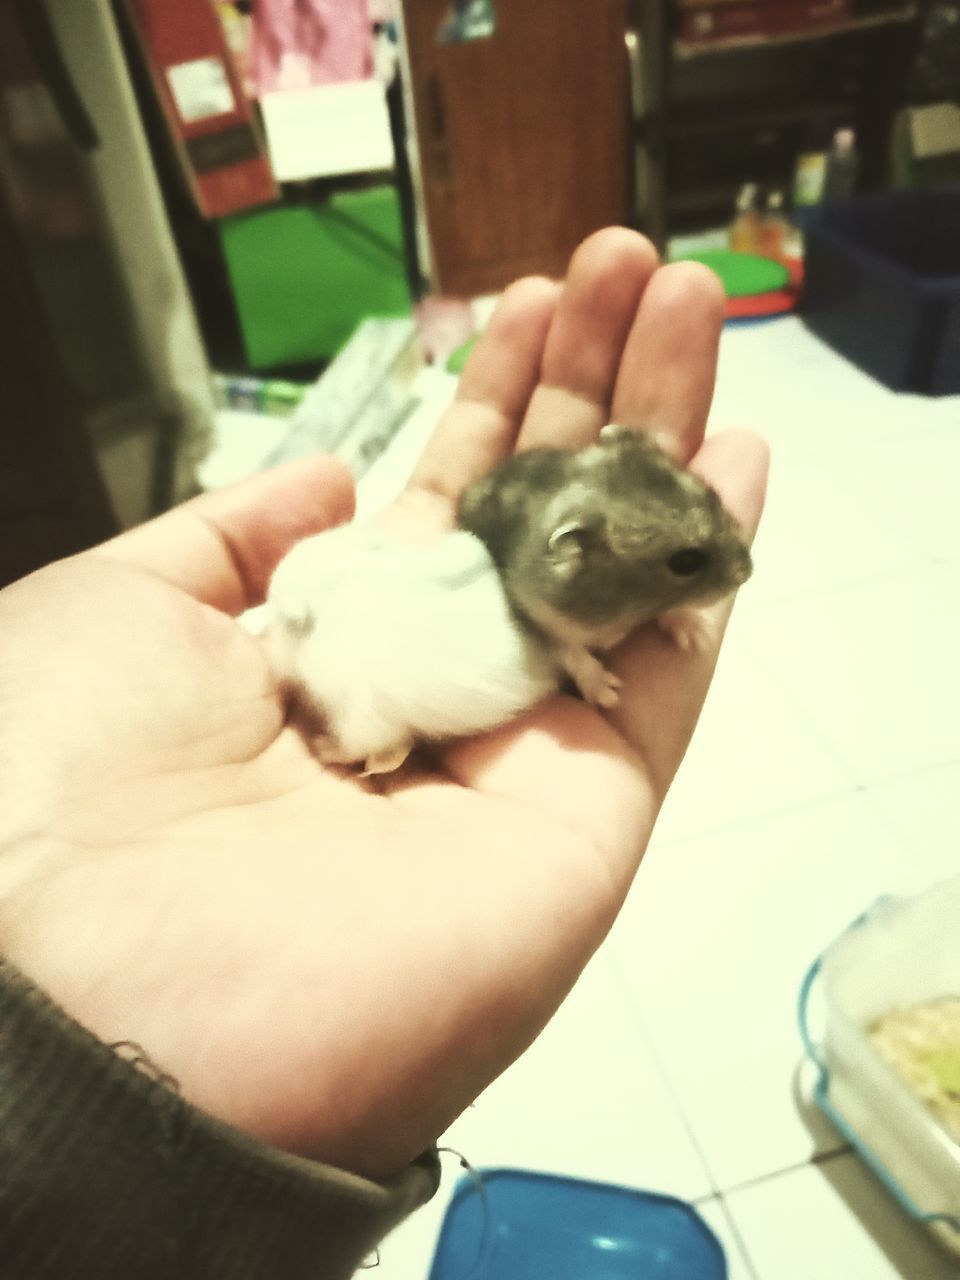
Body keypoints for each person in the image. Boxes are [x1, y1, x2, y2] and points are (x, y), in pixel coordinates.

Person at [0, 228, 768, 1279]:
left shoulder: (558, 557)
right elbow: (539, 622)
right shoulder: (539, 579)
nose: (727, 569)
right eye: (688, 561)